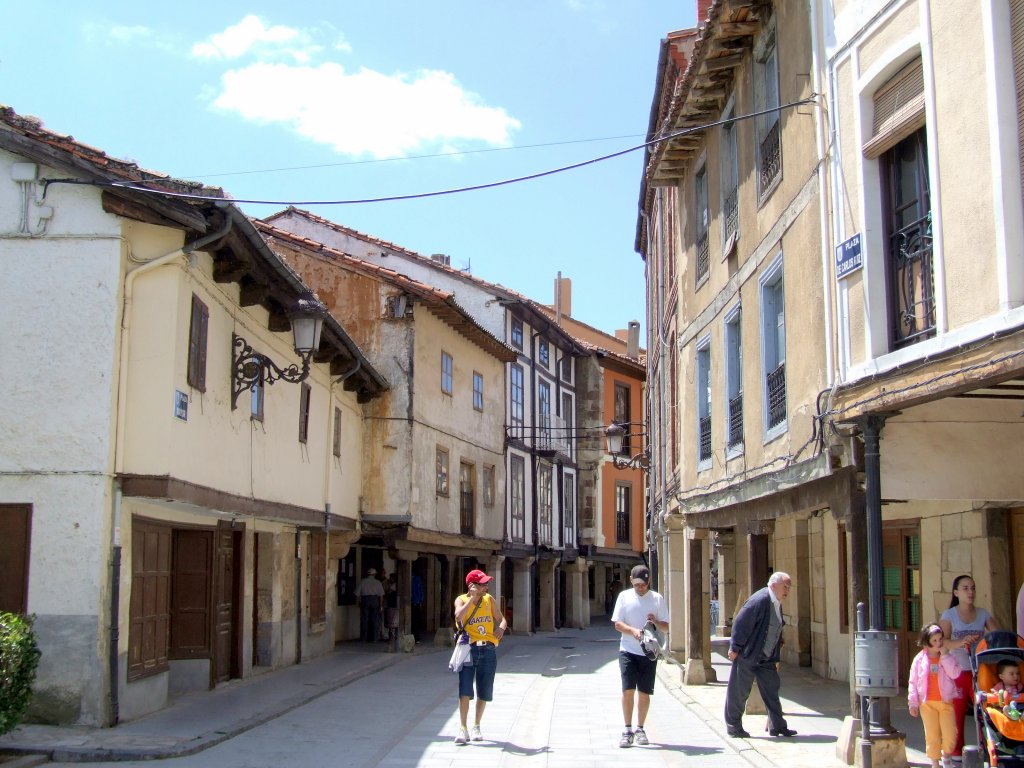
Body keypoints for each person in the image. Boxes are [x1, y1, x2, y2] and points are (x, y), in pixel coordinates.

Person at [724, 572, 797, 739]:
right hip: (749, 654)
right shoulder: (760, 600)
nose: (787, 590)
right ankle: (733, 726)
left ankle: (777, 726)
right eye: (785, 586)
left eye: (789, 587)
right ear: (773, 585)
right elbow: (741, 623)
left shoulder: (776, 601)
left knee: (772, 690)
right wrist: (735, 647)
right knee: (739, 692)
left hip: (766, 657)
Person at [939, 574, 999, 761]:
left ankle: (989, 749)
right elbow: (942, 642)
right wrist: (961, 642)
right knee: (956, 715)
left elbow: (998, 634)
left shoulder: (983, 613)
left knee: (986, 711)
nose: (970, 592)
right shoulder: (949, 615)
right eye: (965, 588)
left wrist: (986, 642)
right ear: (956, 592)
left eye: (972, 588)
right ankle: (956, 754)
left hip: (979, 670)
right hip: (956, 671)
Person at [611, 564, 669, 748]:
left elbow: (666, 627)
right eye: (636, 584)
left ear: (649, 581)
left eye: (643, 584)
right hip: (627, 649)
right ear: (631, 581)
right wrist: (634, 631)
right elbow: (618, 624)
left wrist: (655, 621)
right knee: (627, 690)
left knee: (644, 692)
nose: (640, 587)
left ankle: (640, 728)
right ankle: (627, 729)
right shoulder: (624, 597)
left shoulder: (657, 599)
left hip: (649, 652)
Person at [452, 568, 507, 745]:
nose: (487, 586)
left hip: (488, 649)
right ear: (473, 585)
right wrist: (472, 599)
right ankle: (463, 728)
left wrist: (502, 628)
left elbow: (501, 618)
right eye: (483, 584)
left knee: (484, 689)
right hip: (468, 649)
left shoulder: (489, 600)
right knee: (465, 689)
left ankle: (476, 725)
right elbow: (458, 616)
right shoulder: (461, 600)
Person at [908, 623, 963, 768]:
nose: (938, 643)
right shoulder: (919, 660)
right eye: (934, 641)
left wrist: (945, 657)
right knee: (932, 735)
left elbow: (955, 673)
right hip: (927, 704)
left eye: (940, 639)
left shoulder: (947, 657)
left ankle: (946, 757)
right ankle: (935, 764)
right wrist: (913, 702)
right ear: (927, 642)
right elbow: (913, 681)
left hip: (946, 702)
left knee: (950, 734)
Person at [354, 567, 384, 643]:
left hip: (365, 600)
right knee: (375, 619)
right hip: (375, 600)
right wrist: (381, 605)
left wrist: (358, 603)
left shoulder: (362, 582)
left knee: (364, 619)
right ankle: (374, 638)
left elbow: (357, 594)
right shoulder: (378, 582)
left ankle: (363, 638)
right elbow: (381, 595)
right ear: (374, 574)